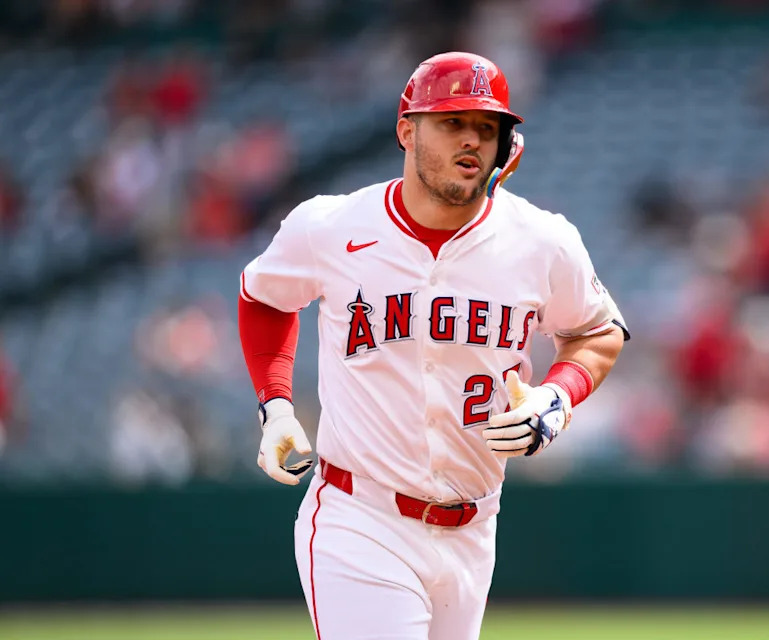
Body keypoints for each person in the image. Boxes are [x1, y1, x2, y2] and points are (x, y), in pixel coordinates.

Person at [237, 51, 628, 640]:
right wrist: (276, 406)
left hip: (475, 527)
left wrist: (557, 396)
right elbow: (264, 296)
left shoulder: (541, 241)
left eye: (487, 127)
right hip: (360, 515)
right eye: (452, 122)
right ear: (406, 130)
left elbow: (598, 331)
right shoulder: (331, 227)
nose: (471, 139)